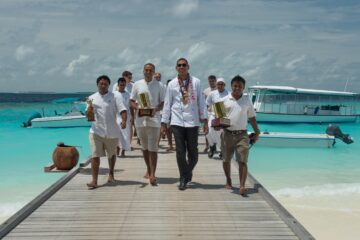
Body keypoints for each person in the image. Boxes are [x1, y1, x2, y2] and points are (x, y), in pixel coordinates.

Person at [161, 58, 208, 191]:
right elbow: (167, 103)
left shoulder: (196, 82)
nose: (181, 67)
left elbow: (201, 102)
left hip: (193, 121)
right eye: (179, 65)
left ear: (188, 67)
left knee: (193, 152)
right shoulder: (172, 84)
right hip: (177, 121)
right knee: (180, 152)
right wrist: (164, 122)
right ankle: (183, 178)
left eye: (184, 65)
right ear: (176, 68)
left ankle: (187, 172)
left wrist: (205, 120)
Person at [219, 75, 260, 195]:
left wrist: (257, 132)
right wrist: (219, 123)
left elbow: (252, 117)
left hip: (242, 135)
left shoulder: (247, 100)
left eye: (240, 86)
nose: (237, 88)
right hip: (227, 134)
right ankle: (228, 180)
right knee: (226, 159)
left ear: (243, 88)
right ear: (231, 86)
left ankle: (242, 186)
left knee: (243, 161)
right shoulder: (223, 100)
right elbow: (219, 118)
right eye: (235, 86)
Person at [86, 75, 127, 189]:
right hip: (96, 131)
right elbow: (88, 116)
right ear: (97, 85)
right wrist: (89, 111)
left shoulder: (115, 96)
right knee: (95, 156)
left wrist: (124, 121)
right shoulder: (91, 98)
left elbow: (123, 110)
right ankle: (94, 180)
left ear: (109, 85)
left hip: (112, 131)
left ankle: (111, 173)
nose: (103, 86)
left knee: (112, 154)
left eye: (105, 84)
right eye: (101, 84)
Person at [130, 63, 165, 186]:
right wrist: (137, 109)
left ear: (154, 72)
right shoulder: (137, 84)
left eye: (150, 70)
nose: (148, 72)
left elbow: (163, 102)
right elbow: (131, 101)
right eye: (146, 70)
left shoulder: (160, 85)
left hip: (154, 120)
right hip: (140, 121)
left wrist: (156, 109)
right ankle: (149, 170)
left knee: (153, 149)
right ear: (143, 71)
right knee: (144, 148)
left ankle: (153, 174)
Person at [206, 78, 229, 159]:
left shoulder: (228, 94)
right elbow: (207, 104)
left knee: (220, 134)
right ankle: (212, 146)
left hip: (223, 116)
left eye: (222, 84)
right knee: (209, 130)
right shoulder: (212, 93)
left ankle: (222, 150)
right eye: (218, 84)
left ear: (224, 85)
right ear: (216, 85)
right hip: (213, 115)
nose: (220, 85)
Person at [114, 77, 131, 157]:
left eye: (123, 85)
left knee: (125, 135)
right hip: (116, 116)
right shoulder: (114, 94)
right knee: (117, 134)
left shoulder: (128, 94)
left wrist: (132, 117)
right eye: (121, 85)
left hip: (126, 116)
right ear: (118, 85)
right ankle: (117, 149)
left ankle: (123, 150)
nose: (122, 86)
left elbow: (130, 106)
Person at [202, 75, 217, 153]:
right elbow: (203, 103)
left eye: (213, 81)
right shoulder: (205, 91)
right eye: (210, 81)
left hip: (217, 113)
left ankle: (215, 145)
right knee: (206, 130)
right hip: (208, 113)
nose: (211, 82)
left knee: (217, 130)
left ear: (215, 81)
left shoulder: (219, 90)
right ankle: (207, 145)